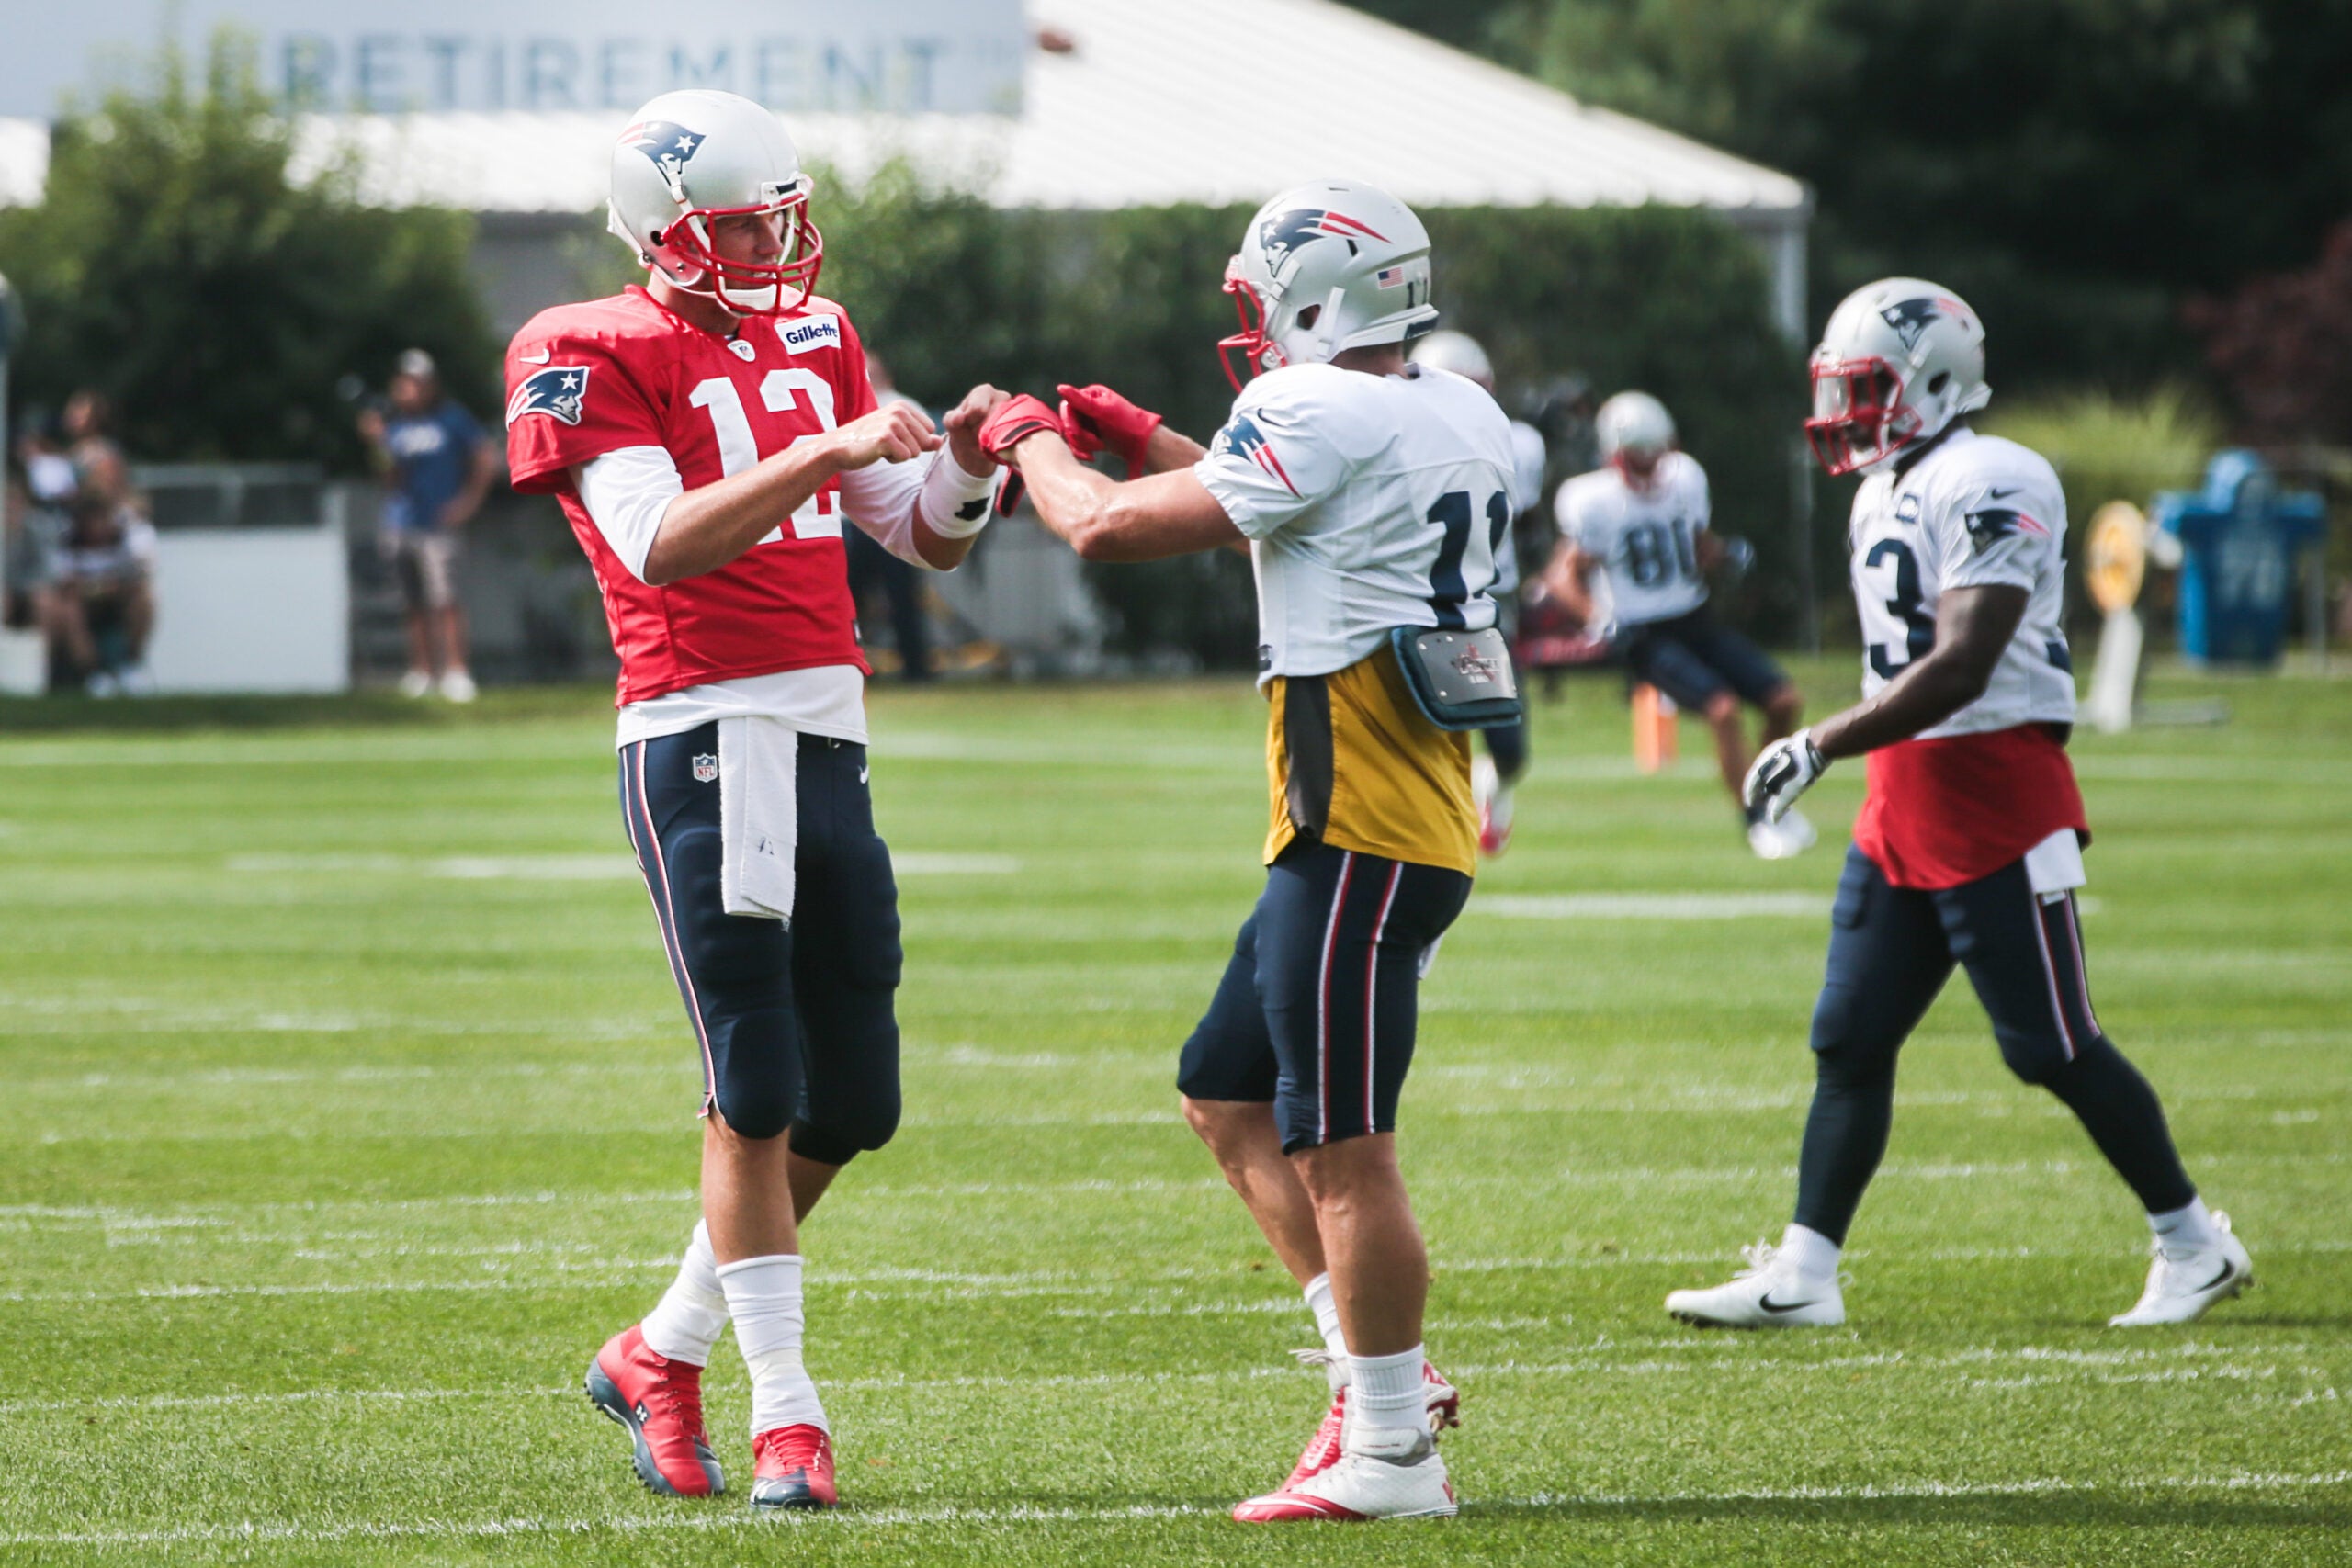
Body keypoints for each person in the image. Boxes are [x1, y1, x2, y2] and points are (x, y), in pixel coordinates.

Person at [979, 179, 1512, 1524]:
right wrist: (1148, 433)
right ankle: (1376, 1365)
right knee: (1225, 1089)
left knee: (1342, 1143)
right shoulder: (1461, 406)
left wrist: (1033, 441)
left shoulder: (1314, 408)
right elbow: (1303, 502)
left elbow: (1102, 528)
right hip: (1396, 821)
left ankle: (1393, 1449)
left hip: (1361, 825)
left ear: (1318, 294)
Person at [503, 88, 1005, 1512]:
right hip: (701, 727)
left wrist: (961, 461)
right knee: (757, 1077)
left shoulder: (818, 333)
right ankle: (788, 1413)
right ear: (664, 234)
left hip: (827, 729)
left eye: (782, 211)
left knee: (854, 1096)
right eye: (740, 222)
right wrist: (827, 451)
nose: (775, 241)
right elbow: (657, 541)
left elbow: (921, 538)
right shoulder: (584, 345)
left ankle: (660, 1349)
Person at [1668, 278, 2252, 1329]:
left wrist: (1815, 741)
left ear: (1935, 381)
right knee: (1847, 1035)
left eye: (1868, 388)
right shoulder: (1879, 488)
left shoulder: (1993, 473)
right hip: (1903, 794)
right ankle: (1805, 1274)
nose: (1848, 411)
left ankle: (2192, 1242)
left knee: (2049, 1045)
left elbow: (1965, 662)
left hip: (1994, 790)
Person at [1545, 392, 1811, 859]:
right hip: (1642, 633)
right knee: (1723, 710)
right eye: (1638, 459)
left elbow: (1698, 543)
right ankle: (1756, 819)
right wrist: (1597, 619)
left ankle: (1772, 797)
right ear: (1614, 456)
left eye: (1654, 456)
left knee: (1784, 700)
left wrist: (1725, 555)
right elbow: (1562, 574)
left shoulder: (1686, 478)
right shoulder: (1595, 501)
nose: (1649, 469)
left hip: (1695, 618)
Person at [1407, 331, 1543, 856]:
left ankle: (1493, 791)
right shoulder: (1396, 441)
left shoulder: (1518, 443)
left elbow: (1521, 520)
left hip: (1485, 607)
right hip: (1413, 605)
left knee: (1508, 747)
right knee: (1423, 735)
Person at [360, 349, 496, 702]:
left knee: (446, 599)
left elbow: (484, 457)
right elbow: (389, 478)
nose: (412, 390)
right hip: (401, 522)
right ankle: (421, 671)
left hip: (439, 525)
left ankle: (456, 671)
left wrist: (468, 502)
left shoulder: (452, 419)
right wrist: (378, 441)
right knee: (412, 603)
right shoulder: (394, 426)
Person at [845, 352, 936, 681]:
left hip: (895, 513)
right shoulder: (853, 404)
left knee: (900, 599)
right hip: (858, 526)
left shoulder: (898, 406)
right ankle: (858, 664)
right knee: (852, 599)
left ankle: (914, 667)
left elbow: (928, 458)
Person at [48, 490, 157, 695]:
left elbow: (137, 577)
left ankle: (130, 664)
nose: (97, 526)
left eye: (102, 518)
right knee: (68, 609)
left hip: (117, 603)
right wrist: (100, 588)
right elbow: (66, 585)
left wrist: (102, 587)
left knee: (145, 599)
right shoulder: (69, 542)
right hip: (83, 604)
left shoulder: (125, 539)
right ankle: (94, 672)